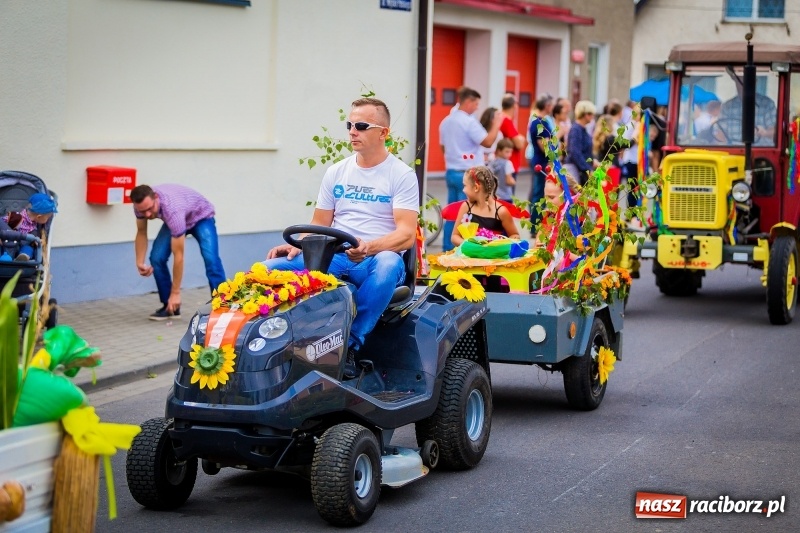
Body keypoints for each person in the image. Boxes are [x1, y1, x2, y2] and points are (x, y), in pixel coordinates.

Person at [265, 97, 419, 379]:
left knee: (387, 264)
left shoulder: (401, 175)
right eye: (349, 124)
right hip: (334, 257)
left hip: (375, 260)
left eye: (361, 125)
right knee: (267, 271)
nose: (352, 131)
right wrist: (296, 244)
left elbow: (406, 235)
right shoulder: (336, 172)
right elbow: (319, 224)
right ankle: (273, 346)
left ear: (383, 133)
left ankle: (349, 346)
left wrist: (370, 247)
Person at [132, 184, 227, 321]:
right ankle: (170, 307)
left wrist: (176, 292)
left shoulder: (173, 210)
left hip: (201, 217)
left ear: (156, 198)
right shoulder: (139, 207)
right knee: (157, 258)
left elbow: (179, 256)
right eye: (142, 211)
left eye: (150, 209)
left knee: (211, 259)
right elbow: (141, 232)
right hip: (180, 217)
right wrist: (139, 261)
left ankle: (223, 306)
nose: (147, 214)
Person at [440, 86, 504, 251]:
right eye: (476, 104)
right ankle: (460, 249)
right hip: (468, 175)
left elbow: (443, 147)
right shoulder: (468, 122)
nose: (477, 108)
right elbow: (488, 142)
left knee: (452, 213)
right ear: (468, 102)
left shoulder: (446, 121)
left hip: (451, 170)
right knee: (465, 214)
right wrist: (497, 123)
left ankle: (448, 248)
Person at [449, 166, 520, 247]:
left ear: (476, 187)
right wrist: (470, 245)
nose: (463, 190)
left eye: (465, 186)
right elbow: (455, 236)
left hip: (493, 258)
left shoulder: (500, 211)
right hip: (469, 257)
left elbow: (515, 235)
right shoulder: (466, 207)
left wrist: (499, 244)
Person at [0, 192, 56, 262]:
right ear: (39, 217)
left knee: (29, 248)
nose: (48, 220)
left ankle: (23, 257)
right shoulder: (15, 218)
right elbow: (1, 223)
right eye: (47, 217)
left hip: (21, 246)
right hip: (6, 245)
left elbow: (33, 239)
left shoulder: (34, 226)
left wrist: (36, 241)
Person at [528, 94, 555, 226]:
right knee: (540, 194)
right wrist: (553, 156)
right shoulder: (540, 123)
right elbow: (545, 146)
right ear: (547, 106)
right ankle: (535, 224)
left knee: (538, 193)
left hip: (539, 160)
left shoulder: (537, 121)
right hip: (542, 162)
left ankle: (536, 223)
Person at [564, 100, 600, 186]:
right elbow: (575, 152)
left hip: (580, 168)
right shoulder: (576, 130)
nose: (592, 117)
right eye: (590, 114)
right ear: (584, 114)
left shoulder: (582, 129)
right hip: (575, 169)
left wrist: (592, 161)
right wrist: (587, 169)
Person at [498, 93, 527, 183]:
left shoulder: (500, 117)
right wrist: (521, 138)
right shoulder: (507, 121)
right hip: (509, 163)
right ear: (514, 105)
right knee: (508, 194)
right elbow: (519, 144)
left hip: (504, 162)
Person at [489, 138, 516, 203]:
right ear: (499, 151)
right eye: (507, 152)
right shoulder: (507, 163)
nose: (509, 154)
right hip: (506, 196)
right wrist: (514, 182)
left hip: (494, 195)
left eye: (510, 152)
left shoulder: (492, 162)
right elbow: (508, 181)